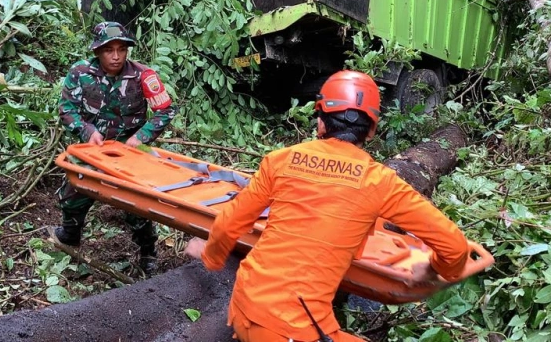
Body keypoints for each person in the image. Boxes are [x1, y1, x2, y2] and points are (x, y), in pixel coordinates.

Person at [185, 70, 471, 342]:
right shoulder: (380, 181)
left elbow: (230, 221)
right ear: (371, 129)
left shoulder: (281, 160)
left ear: (321, 121)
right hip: (290, 329)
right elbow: (455, 248)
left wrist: (210, 255)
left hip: (244, 308)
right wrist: (432, 268)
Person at [54, 21, 178, 274]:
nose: (116, 56)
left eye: (121, 49)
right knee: (73, 193)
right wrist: (87, 131)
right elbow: (66, 109)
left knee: (139, 204)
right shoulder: (80, 73)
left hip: (130, 151)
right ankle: (69, 235)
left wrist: (141, 137)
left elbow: (165, 110)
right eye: (109, 50)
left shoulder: (143, 75)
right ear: (97, 51)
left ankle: (147, 253)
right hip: (93, 149)